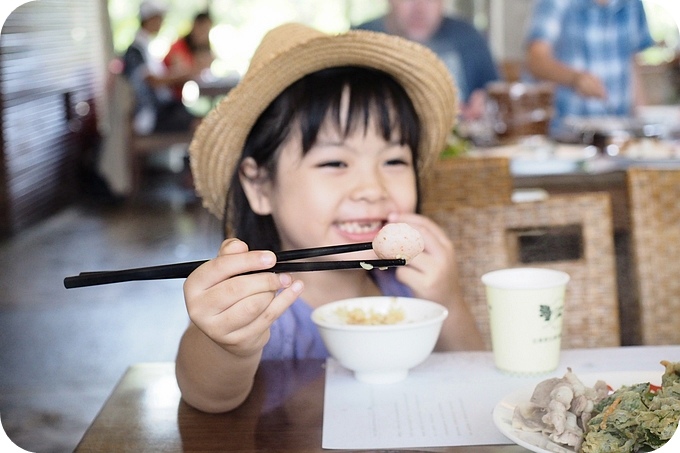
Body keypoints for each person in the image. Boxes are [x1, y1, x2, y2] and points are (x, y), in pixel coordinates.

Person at [174, 23, 484, 413]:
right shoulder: (260, 305)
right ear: (260, 186)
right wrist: (225, 343)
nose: (372, 187)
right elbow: (207, 396)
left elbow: (478, 375)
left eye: (393, 160)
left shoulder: (408, 289)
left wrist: (448, 298)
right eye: (335, 161)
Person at [524, 0, 655, 135]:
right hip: (565, 135)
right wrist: (575, 78)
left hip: (618, 134)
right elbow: (536, 61)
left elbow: (632, 67)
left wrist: (643, 124)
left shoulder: (633, 4)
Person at [355, 0, 500, 121]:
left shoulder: (469, 37)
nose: (419, 7)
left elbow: (495, 93)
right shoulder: (360, 40)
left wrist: (487, 105)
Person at [122, 0, 197, 135]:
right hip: (151, 114)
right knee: (198, 125)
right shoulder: (135, 51)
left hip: (164, 109)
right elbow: (153, 81)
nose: (162, 22)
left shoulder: (146, 46)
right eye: (159, 18)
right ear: (150, 19)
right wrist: (183, 73)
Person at [163, 12, 214, 102]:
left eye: (207, 30)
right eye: (202, 29)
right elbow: (180, 73)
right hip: (171, 99)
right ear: (194, 25)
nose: (204, 34)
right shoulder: (178, 46)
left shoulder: (203, 48)